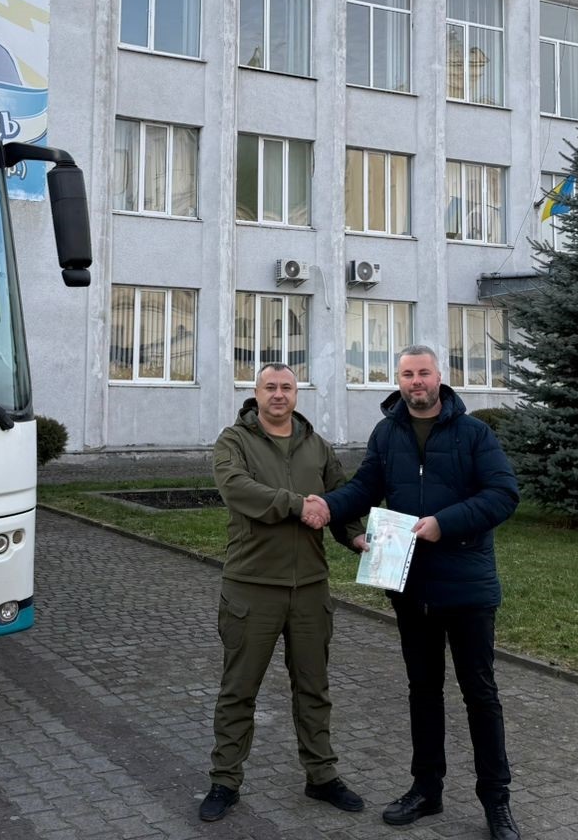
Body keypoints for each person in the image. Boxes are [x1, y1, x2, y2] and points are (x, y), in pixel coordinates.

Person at [308, 344, 523, 840]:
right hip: (411, 587)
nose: (416, 382)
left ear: (439, 377)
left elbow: (503, 494)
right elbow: (364, 489)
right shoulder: (387, 433)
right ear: (399, 380)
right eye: (407, 375)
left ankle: (496, 801)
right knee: (423, 692)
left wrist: (443, 524)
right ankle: (426, 790)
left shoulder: (474, 433)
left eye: (423, 373)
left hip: (467, 589)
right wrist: (328, 507)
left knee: (480, 695)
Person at [199, 363, 366, 824]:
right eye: (270, 387)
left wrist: (356, 537)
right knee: (239, 690)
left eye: (286, 387)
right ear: (255, 393)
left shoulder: (317, 446)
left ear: (296, 393)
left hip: (310, 589)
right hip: (252, 588)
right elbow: (238, 490)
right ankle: (225, 781)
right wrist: (298, 506)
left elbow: (340, 498)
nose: (278, 394)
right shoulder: (234, 441)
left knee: (314, 687)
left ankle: (321, 776)